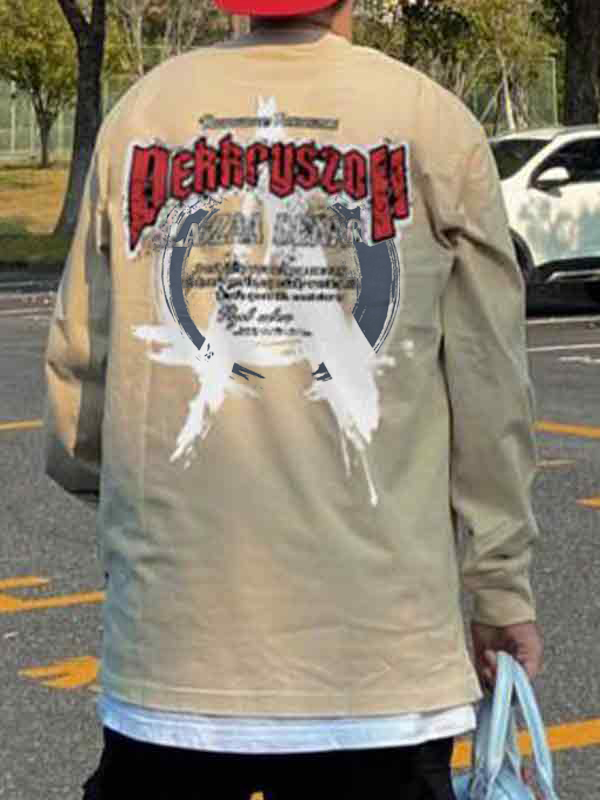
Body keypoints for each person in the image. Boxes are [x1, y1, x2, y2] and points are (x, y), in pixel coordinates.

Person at [42, 0, 543, 797]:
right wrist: (500, 586)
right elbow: (490, 393)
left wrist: (155, 512)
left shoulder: (140, 117)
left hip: (174, 664)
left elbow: (79, 395)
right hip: (380, 674)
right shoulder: (433, 124)